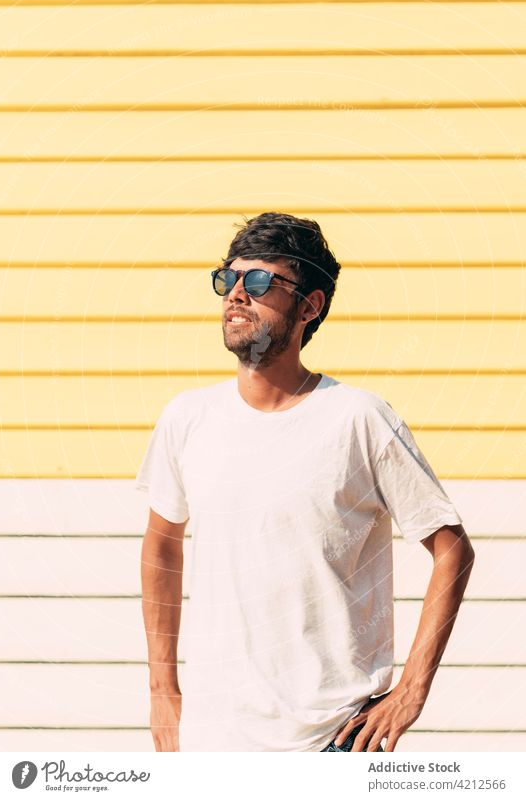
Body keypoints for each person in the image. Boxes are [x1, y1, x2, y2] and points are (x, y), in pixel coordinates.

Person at [136, 211, 475, 753]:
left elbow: (452, 549)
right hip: (212, 739)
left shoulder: (359, 419)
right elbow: (161, 547)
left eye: (261, 281)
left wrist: (412, 690)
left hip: (333, 738)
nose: (237, 295)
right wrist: (161, 689)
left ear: (310, 306)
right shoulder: (187, 418)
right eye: (229, 279)